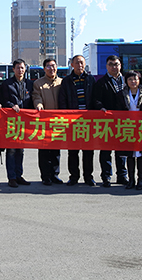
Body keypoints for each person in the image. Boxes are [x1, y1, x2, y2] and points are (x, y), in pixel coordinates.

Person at [58, 55, 97, 186]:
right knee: (73, 151)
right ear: (72, 65)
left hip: (88, 122)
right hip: (72, 122)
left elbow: (95, 98)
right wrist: (66, 117)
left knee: (88, 151)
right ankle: (74, 177)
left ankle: (88, 177)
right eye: (77, 63)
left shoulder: (91, 79)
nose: (80, 65)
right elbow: (62, 100)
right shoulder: (67, 81)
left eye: (82, 63)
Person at [92, 55, 128, 187]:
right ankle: (106, 176)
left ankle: (122, 176)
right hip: (106, 121)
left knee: (122, 151)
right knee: (106, 151)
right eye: (111, 64)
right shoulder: (101, 82)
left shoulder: (127, 80)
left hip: (124, 122)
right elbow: (95, 100)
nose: (114, 67)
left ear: (120, 66)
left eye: (116, 64)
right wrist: (101, 108)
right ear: (106, 66)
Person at [116, 71, 142, 190]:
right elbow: (118, 110)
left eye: (135, 79)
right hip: (128, 127)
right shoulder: (121, 94)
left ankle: (140, 180)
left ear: (139, 80)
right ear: (126, 81)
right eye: (130, 79)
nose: (133, 82)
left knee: (141, 155)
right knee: (130, 155)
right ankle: (131, 180)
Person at [0, 58, 33, 187]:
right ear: (13, 69)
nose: (20, 70)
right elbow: (3, 100)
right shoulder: (7, 84)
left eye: (22, 67)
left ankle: (19, 175)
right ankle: (11, 177)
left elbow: (32, 100)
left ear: (25, 69)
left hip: (24, 122)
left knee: (21, 150)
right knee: (12, 150)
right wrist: (11, 105)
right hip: (11, 121)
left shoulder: (29, 84)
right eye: (18, 67)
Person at [32, 58, 63, 186]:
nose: (51, 69)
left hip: (58, 122)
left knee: (56, 151)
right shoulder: (38, 83)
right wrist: (39, 105)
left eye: (53, 66)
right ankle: (45, 176)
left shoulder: (62, 82)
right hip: (44, 121)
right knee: (44, 150)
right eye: (48, 66)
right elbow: (36, 96)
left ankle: (55, 175)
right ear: (44, 69)